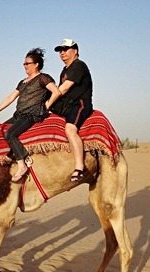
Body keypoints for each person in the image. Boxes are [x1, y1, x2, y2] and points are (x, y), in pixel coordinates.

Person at [0, 48, 61, 182]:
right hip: (19, 114)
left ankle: (22, 163)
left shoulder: (43, 78)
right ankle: (11, 156)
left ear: (36, 64)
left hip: (31, 114)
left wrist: (46, 106)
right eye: (24, 64)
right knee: (0, 130)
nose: (25, 66)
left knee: (10, 134)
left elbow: (56, 92)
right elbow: (11, 97)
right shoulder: (22, 82)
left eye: (27, 63)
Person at [51, 38, 93, 182]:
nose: (62, 53)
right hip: (66, 104)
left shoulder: (79, 66)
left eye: (65, 49)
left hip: (79, 103)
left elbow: (64, 88)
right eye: (60, 50)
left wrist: (48, 102)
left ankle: (79, 167)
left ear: (75, 51)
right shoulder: (65, 70)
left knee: (70, 129)